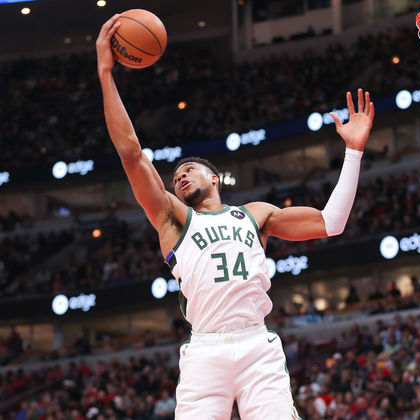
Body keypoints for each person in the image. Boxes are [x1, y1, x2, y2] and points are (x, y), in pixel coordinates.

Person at [96, 15, 375, 419]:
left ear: (214, 177)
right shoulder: (174, 221)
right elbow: (132, 154)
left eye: (188, 170)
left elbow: (331, 222)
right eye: (175, 177)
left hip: (255, 345)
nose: (180, 176)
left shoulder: (255, 215)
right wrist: (106, 73)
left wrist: (353, 152)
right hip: (205, 351)